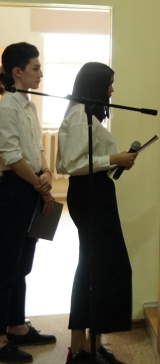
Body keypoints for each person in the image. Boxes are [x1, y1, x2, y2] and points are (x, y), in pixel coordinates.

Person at [56, 62, 136, 364]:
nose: (112, 90)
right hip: (89, 194)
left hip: (96, 191)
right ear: (96, 85)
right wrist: (114, 158)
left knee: (99, 267)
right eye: (109, 83)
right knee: (102, 266)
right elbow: (72, 165)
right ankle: (81, 347)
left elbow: (87, 159)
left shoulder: (85, 114)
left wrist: (115, 161)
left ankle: (90, 344)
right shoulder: (79, 115)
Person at [0, 43, 57, 364]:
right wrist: (42, 188)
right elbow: (11, 157)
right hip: (13, 189)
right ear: (17, 72)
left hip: (31, 186)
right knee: (6, 267)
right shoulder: (6, 108)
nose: (41, 73)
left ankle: (17, 327)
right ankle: (0, 340)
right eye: (35, 68)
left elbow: (37, 147)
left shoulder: (29, 106)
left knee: (23, 265)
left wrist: (46, 172)